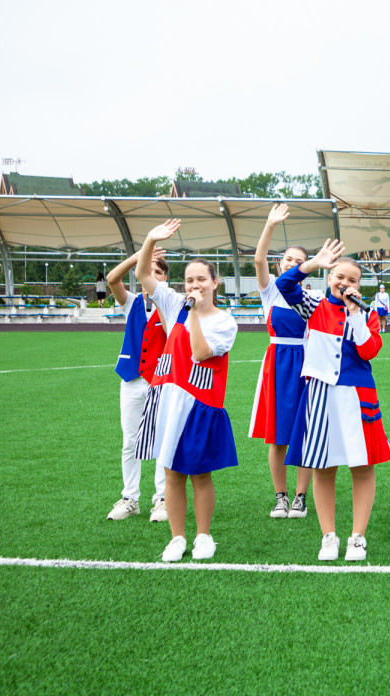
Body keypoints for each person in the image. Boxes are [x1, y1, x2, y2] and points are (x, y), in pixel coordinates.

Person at [277, 242, 390, 562]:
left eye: (352, 280)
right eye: (339, 277)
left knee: (362, 467)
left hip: (358, 398)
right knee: (323, 467)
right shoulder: (313, 305)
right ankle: (329, 536)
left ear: (360, 285)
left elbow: (369, 351)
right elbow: (283, 284)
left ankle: (358, 537)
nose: (345, 283)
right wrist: (314, 263)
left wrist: (355, 312)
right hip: (320, 396)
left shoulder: (367, 314)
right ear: (330, 278)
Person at [134, 219, 239, 563]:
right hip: (169, 398)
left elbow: (200, 353)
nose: (195, 286)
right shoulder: (171, 303)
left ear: (214, 283)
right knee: (171, 471)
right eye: (189, 280)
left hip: (201, 404)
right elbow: (142, 277)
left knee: (199, 472)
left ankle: (204, 536)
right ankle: (177, 537)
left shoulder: (224, 321)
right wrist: (150, 238)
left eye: (201, 280)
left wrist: (191, 313)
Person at [248, 204, 312, 520]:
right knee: (277, 435)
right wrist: (270, 224)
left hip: (305, 366)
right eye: (288, 260)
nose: (293, 265)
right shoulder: (270, 290)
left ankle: (301, 497)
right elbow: (258, 259)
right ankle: (281, 496)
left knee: (305, 431)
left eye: (299, 262)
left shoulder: (312, 298)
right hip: (277, 364)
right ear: (280, 263)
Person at [105, 247, 170, 522]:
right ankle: (130, 498)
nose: (150, 277)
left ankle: (163, 499)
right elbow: (111, 279)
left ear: (165, 279)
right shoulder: (131, 302)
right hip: (132, 379)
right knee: (130, 441)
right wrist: (139, 255)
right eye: (146, 272)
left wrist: (159, 301)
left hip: (162, 381)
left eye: (157, 273)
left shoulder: (172, 304)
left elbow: (172, 334)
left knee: (161, 441)